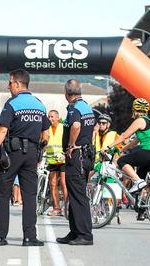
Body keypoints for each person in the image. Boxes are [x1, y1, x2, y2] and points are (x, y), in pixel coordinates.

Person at [0, 69, 50, 246]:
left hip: (12, 153)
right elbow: (45, 134)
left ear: (17, 83)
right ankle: (30, 237)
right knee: (30, 195)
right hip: (32, 153)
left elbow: (2, 130)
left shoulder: (12, 103)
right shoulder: (39, 104)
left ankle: (0, 236)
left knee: (2, 192)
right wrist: (40, 151)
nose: (8, 87)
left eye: (9, 83)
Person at [107, 98, 150, 220]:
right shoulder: (149, 121)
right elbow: (137, 140)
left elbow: (124, 136)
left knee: (121, 161)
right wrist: (122, 149)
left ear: (135, 109)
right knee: (139, 176)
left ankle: (139, 182)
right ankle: (141, 210)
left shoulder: (139, 120)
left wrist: (108, 147)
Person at [56, 79, 95, 246]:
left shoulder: (74, 108)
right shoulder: (87, 106)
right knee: (74, 194)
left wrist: (71, 145)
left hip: (77, 156)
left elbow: (76, 126)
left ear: (66, 94)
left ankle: (85, 234)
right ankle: (75, 231)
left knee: (78, 196)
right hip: (86, 155)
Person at [45, 109, 67, 216]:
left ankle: (67, 208)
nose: (50, 119)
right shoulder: (46, 129)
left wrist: (65, 154)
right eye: (49, 117)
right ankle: (56, 208)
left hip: (63, 159)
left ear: (57, 118)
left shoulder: (63, 128)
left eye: (52, 117)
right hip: (51, 159)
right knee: (53, 184)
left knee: (63, 183)